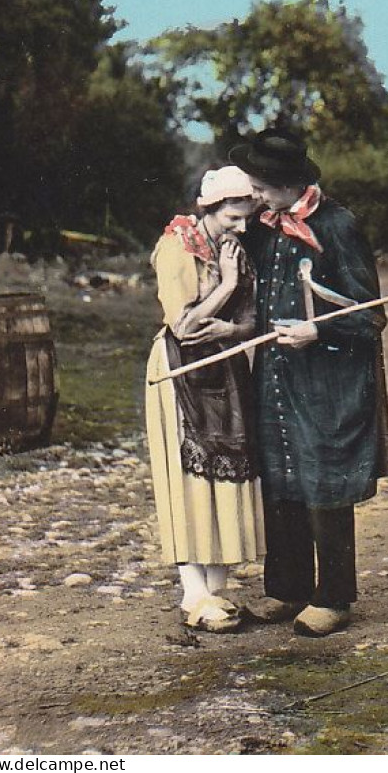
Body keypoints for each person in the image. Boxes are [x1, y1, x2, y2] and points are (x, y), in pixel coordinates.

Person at [229, 128, 388, 637]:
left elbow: (371, 317)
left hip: (328, 378)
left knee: (324, 481)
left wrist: (317, 330)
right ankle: (287, 587)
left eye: (259, 186)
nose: (253, 195)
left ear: (286, 183)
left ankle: (334, 597)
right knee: (280, 478)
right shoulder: (263, 225)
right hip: (277, 375)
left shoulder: (337, 225)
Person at [144, 165, 264, 633]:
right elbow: (185, 325)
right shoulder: (176, 246)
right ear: (209, 209)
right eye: (233, 217)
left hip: (228, 366)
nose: (242, 226)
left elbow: (252, 321)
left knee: (226, 470)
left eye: (246, 217)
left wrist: (233, 329)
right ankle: (192, 591)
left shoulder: (234, 248)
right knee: (188, 474)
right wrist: (227, 286)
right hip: (183, 370)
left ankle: (216, 589)